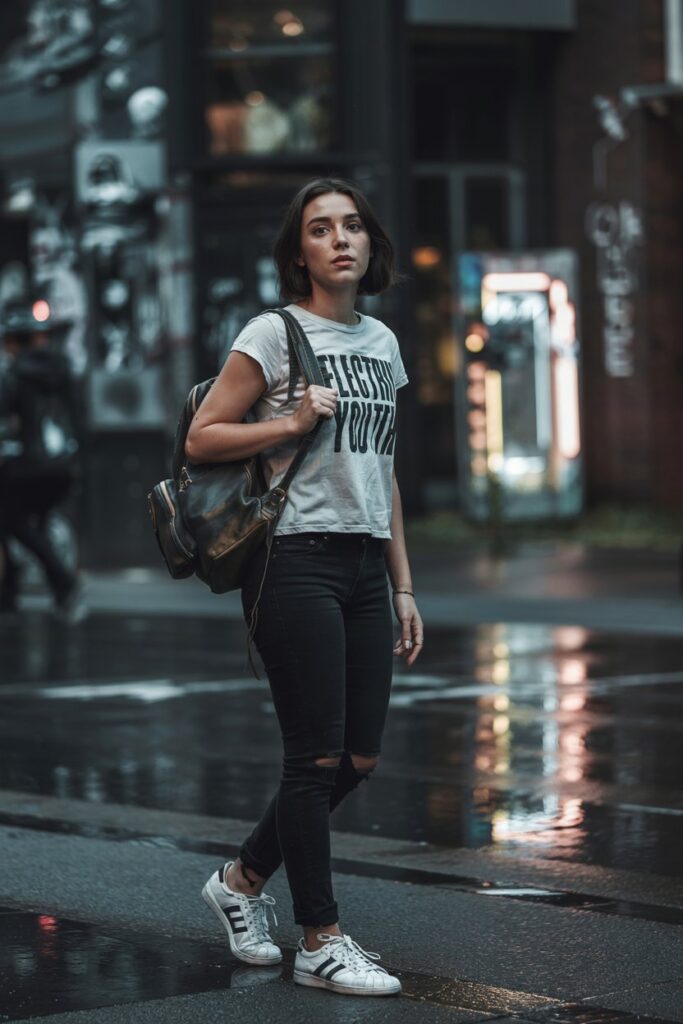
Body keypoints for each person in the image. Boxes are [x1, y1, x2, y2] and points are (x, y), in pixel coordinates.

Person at [187, 177, 423, 998]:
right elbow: (201, 436)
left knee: (357, 755)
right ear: (300, 252)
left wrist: (403, 586)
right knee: (312, 757)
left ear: (368, 242)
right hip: (294, 560)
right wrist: (289, 422)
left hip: (363, 564)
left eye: (352, 226)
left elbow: (382, 472)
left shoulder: (383, 344)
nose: (340, 240)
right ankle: (319, 938)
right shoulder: (274, 333)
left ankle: (241, 882)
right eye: (321, 230)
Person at [0, 299, 85, 620]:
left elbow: (7, 415)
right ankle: (58, 591)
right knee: (32, 522)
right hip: (65, 463)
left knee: (11, 521)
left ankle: (62, 581)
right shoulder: (62, 368)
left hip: (32, 466)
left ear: (13, 341)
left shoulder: (17, 374)